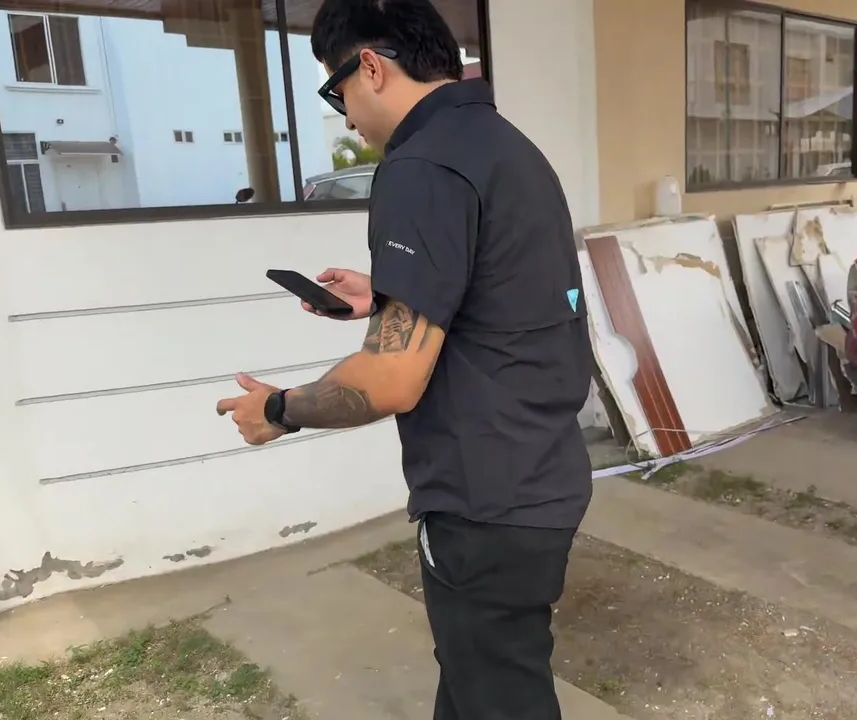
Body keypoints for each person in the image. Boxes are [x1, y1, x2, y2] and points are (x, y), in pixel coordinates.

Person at [214, 1, 593, 718]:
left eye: (337, 92)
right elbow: (501, 291)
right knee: (477, 684)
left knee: (499, 697)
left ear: (370, 66)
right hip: (539, 471)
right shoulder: (506, 147)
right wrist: (390, 295)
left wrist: (277, 410)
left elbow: (390, 379)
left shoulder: (421, 167)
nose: (347, 119)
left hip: (484, 501)